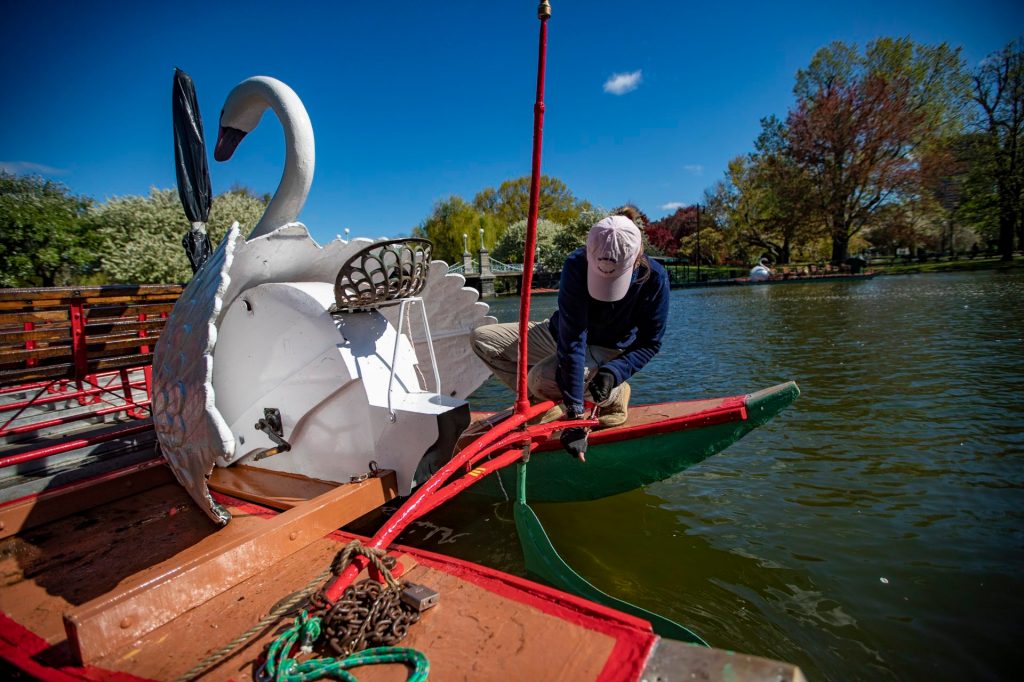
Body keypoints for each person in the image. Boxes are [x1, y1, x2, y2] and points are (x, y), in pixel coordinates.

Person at [470, 211, 670, 460]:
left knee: (540, 379)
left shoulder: (655, 278)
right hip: (562, 333)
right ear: (589, 252)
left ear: (637, 257)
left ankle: (615, 395)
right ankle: (548, 403)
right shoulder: (576, 264)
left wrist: (614, 372)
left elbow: (650, 342)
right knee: (482, 340)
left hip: (608, 347)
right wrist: (575, 414)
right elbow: (574, 339)